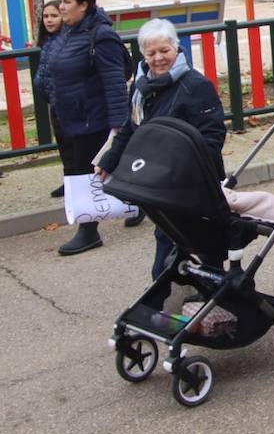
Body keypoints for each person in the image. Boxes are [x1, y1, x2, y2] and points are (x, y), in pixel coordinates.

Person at [95, 18, 226, 295]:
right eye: (151, 53)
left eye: (164, 51)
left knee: (204, 241)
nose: (158, 59)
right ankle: (164, 290)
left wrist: (182, 167)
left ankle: (216, 295)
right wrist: (109, 160)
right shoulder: (141, 88)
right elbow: (132, 129)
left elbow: (212, 138)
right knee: (167, 235)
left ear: (176, 48)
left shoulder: (195, 85)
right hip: (158, 182)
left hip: (194, 182)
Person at [44, 0, 129, 255]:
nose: (61, 7)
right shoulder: (68, 32)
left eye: (66, 2)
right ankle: (141, 207)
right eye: (60, 1)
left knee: (85, 173)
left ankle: (88, 231)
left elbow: (115, 82)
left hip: (93, 119)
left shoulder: (100, 36)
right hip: (71, 115)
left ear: (84, 5)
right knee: (105, 172)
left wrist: (119, 126)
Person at [33, 0, 66, 199]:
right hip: (54, 102)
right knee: (64, 148)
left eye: (54, 16)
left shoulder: (65, 41)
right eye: (46, 16)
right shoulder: (47, 42)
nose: (49, 20)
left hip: (66, 102)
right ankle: (69, 179)